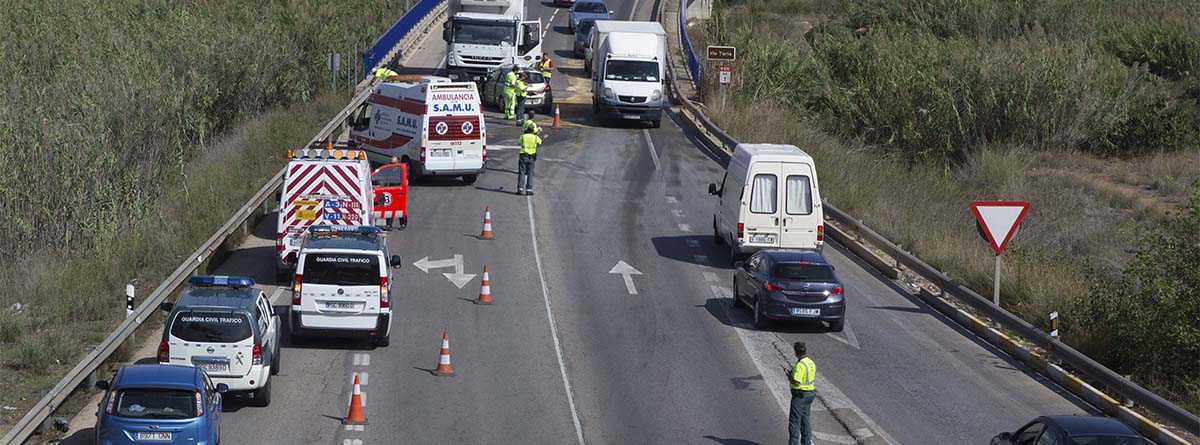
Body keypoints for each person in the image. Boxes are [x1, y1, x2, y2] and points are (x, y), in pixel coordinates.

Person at [788, 342, 816, 445]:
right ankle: (806, 442)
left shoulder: (800, 365)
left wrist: (789, 376)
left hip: (800, 395)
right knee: (805, 419)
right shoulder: (811, 362)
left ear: (795, 352)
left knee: (795, 421)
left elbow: (796, 381)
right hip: (810, 394)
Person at [516, 125, 544, 195]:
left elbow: (519, 142)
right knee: (530, 173)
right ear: (532, 131)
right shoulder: (535, 137)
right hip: (531, 157)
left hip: (523, 155)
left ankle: (520, 189)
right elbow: (540, 142)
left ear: (527, 130)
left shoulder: (523, 136)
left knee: (521, 172)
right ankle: (529, 189)